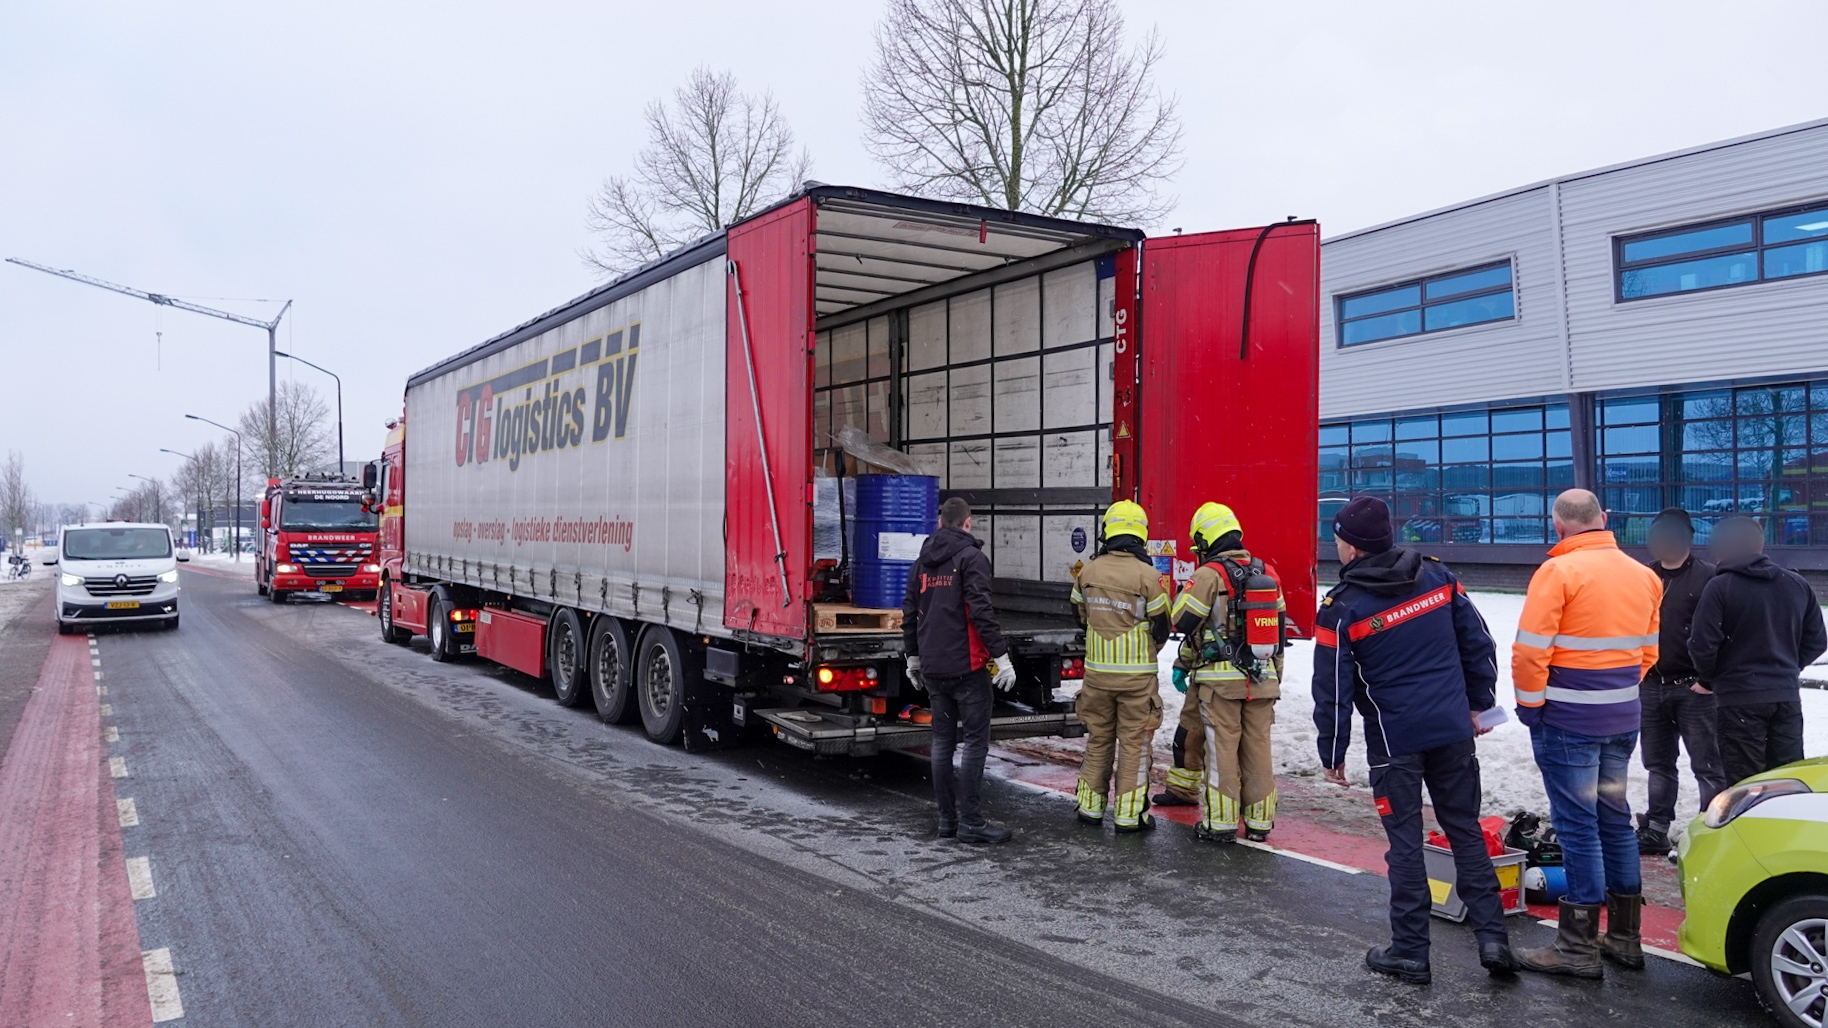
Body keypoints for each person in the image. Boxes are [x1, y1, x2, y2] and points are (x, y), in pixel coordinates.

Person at [1313, 496, 1518, 984]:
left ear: (1353, 548)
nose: (1337, 547)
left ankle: (1409, 952)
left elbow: (1333, 688)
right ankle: (1494, 942)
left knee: (1404, 845)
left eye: (1339, 540)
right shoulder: (1438, 579)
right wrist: (1478, 702)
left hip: (1395, 742)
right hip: (1451, 732)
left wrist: (1332, 750)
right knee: (1465, 831)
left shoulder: (1342, 608)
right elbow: (1479, 644)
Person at [1512, 488, 1662, 978]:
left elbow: (1531, 653)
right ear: (1606, 517)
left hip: (1569, 724)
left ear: (1557, 526)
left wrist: (1532, 707)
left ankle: (1576, 948)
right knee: (1615, 821)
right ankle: (1624, 938)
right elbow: (1648, 654)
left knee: (1577, 827)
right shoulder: (1644, 576)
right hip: (1621, 722)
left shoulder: (1558, 572)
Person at [903, 497, 1017, 844]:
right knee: (974, 744)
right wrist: (1002, 656)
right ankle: (971, 821)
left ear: (940, 523)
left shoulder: (921, 563)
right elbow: (981, 612)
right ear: (967, 523)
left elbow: (910, 612)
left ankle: (946, 820)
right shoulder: (972, 558)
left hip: (934, 666)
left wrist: (913, 657)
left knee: (941, 742)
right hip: (967, 666)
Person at [1170, 502, 1285, 843]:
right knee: (1258, 753)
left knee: (1222, 753)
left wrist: (1184, 591)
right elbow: (1278, 633)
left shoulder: (1208, 574)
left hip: (1220, 686)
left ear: (1206, 540)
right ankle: (1260, 824)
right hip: (1262, 681)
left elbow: (1182, 620)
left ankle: (1220, 824)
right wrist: (1274, 678)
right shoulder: (1268, 572)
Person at [1689, 515, 1827, 786]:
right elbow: (1817, 641)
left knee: (1745, 784)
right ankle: (1784, 826)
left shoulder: (1719, 587)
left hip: (1738, 698)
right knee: (1786, 777)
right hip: (1784, 696)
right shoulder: (1796, 584)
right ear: (1760, 545)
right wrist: (1787, 665)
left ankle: (1750, 827)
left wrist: (1709, 679)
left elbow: (1702, 645)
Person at [1070, 500, 1171, 832]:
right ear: (1140, 533)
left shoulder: (1089, 570)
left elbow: (1079, 615)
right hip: (1137, 680)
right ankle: (1129, 816)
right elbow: (1162, 626)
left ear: (1108, 531)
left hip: (1097, 677)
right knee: (1134, 744)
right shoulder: (1149, 575)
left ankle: (1090, 808)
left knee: (1099, 738)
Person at [1635, 507, 1725, 855]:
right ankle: (1656, 826)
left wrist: (1709, 679)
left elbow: (1723, 633)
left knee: (1708, 765)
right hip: (1650, 685)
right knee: (1657, 763)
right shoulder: (1642, 577)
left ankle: (1712, 830)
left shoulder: (1709, 578)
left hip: (1695, 689)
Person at [1152, 700, 1206, 809]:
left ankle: (1232, 796)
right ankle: (1183, 791)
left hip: (1224, 690)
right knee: (1187, 737)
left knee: (1224, 746)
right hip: (1205, 688)